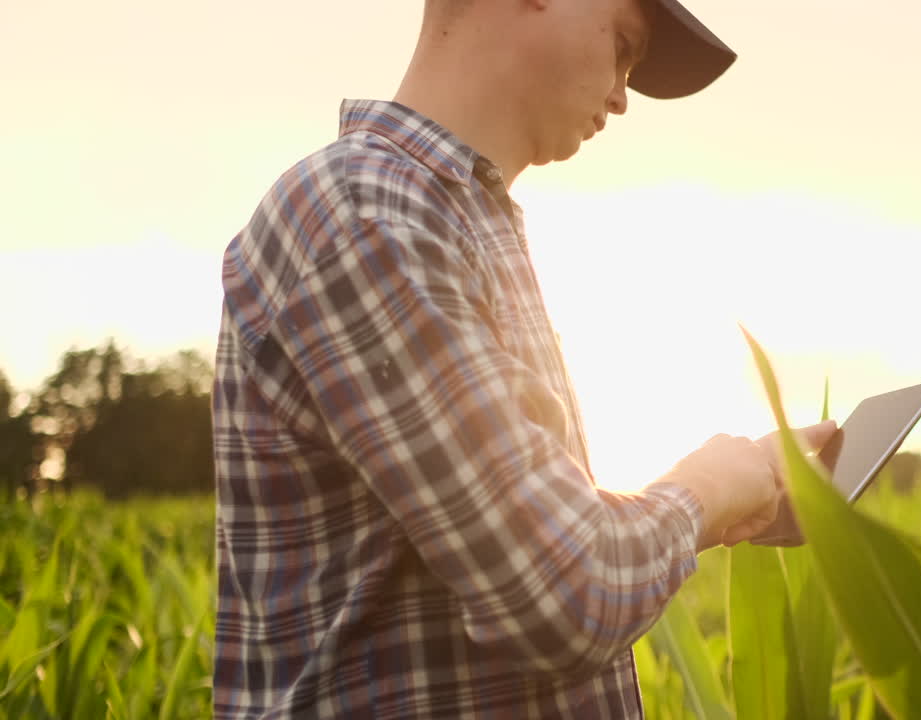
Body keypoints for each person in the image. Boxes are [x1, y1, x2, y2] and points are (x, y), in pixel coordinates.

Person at [211, 0, 837, 716]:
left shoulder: (443, 222)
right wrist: (709, 488)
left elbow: (536, 538)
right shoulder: (370, 219)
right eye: (623, 48)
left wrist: (747, 485)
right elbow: (561, 592)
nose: (621, 96)